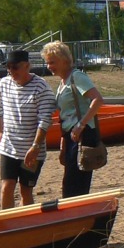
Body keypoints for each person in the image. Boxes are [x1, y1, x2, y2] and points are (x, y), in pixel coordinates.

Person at [0, 49, 56, 209]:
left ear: (27, 66)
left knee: (25, 190)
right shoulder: (4, 83)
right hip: (9, 147)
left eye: (15, 67)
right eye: (8, 67)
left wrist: (35, 146)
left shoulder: (41, 88)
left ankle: (25, 222)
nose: (10, 71)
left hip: (32, 150)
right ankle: (7, 224)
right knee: (6, 187)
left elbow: (45, 120)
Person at [41, 41, 105, 198]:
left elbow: (97, 100)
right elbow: (65, 113)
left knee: (77, 182)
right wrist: (64, 138)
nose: (49, 66)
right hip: (71, 136)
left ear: (64, 60)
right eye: (47, 62)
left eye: (52, 62)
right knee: (70, 180)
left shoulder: (77, 77)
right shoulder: (63, 82)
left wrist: (80, 125)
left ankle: (78, 215)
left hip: (82, 135)